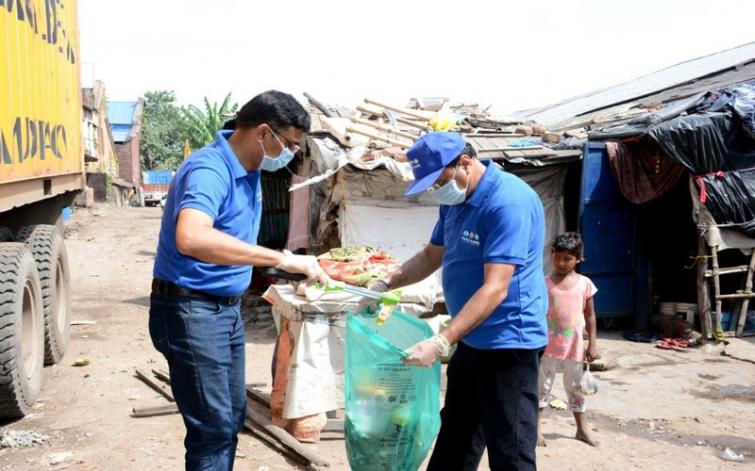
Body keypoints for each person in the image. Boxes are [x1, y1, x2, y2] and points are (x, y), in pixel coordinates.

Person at [149, 90, 328, 470]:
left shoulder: (250, 172)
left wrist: (285, 271)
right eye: (289, 144)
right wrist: (281, 258)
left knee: (231, 417)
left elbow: (233, 242)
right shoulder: (210, 170)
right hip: (191, 309)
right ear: (263, 133)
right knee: (213, 429)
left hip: (224, 311)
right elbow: (191, 237)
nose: (291, 154)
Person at [369, 132, 548, 470]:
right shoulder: (455, 200)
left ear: (465, 162)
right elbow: (430, 255)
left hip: (509, 343)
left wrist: (441, 341)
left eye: (439, 182)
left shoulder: (508, 202)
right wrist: (385, 283)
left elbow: (496, 288)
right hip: (471, 337)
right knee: (456, 440)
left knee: (509, 452)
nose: (437, 190)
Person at [536, 232, 600, 448]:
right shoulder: (544, 283)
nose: (561, 263)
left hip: (574, 347)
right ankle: (536, 429)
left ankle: (582, 429)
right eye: (557, 257)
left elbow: (590, 316)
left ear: (578, 259)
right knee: (542, 387)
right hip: (547, 347)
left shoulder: (585, 284)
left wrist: (593, 343)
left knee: (575, 388)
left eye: (567, 258)